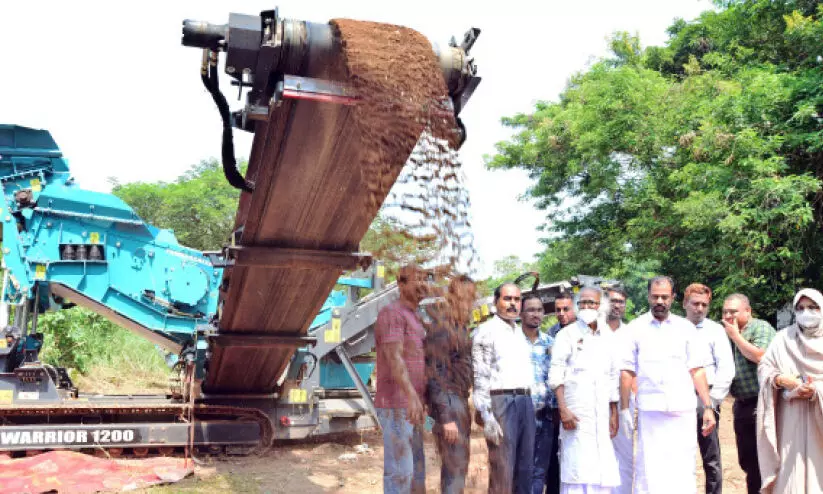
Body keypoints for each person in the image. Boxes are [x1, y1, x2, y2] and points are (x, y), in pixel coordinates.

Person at [619, 276, 716, 494]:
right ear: (648, 297)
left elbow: (697, 370)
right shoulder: (635, 328)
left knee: (682, 469)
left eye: (664, 296)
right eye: (655, 296)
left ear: (673, 298)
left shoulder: (686, 328)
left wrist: (708, 407)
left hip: (683, 410)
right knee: (649, 470)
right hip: (650, 412)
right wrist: (625, 409)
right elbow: (626, 372)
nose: (659, 301)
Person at [549, 287, 620, 494]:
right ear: (578, 306)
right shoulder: (567, 335)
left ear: (601, 306)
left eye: (592, 303)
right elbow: (556, 375)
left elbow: (613, 375)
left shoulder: (608, 335)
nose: (588, 307)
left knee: (601, 471)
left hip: (601, 414)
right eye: (583, 303)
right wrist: (563, 410)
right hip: (575, 414)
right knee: (576, 470)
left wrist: (614, 412)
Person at [757, 288, 823, 493]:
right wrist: (778, 378)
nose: (806, 313)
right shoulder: (782, 338)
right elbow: (764, 367)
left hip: (819, 419)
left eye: (812, 307)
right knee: (790, 469)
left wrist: (816, 389)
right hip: (789, 416)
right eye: (801, 308)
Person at [472, 282, 535, 494]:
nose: (513, 304)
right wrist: (486, 414)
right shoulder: (486, 331)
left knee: (525, 469)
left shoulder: (518, 332)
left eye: (517, 300)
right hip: (502, 403)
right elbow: (480, 375)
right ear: (496, 301)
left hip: (525, 403)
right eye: (507, 299)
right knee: (503, 470)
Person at [375, 264, 429, 494]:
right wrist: (411, 396)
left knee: (416, 472)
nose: (422, 285)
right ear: (400, 284)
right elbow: (394, 357)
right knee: (400, 472)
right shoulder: (392, 313)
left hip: (412, 405)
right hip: (398, 404)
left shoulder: (415, 316)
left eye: (426, 280)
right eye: (416, 280)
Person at [425, 275, 476, 494]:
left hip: (459, 402)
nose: (473, 302)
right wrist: (446, 419)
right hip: (449, 404)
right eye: (471, 297)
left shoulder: (460, 327)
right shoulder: (442, 329)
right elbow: (434, 375)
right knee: (454, 468)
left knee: (458, 467)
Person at [683, 283, 735, 494]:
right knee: (680, 455)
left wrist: (710, 404)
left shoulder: (715, 331)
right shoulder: (674, 327)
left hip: (707, 398)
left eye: (704, 304)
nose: (700, 308)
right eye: (695, 303)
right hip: (680, 398)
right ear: (685, 303)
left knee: (711, 458)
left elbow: (726, 368)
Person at [722, 293, 776, 494]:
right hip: (741, 404)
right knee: (746, 458)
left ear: (748, 311)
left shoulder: (759, 327)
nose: (728, 315)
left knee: (762, 459)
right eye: (725, 311)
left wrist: (736, 336)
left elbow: (760, 356)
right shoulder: (725, 332)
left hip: (762, 402)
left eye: (733, 311)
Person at [521, 293, 554, 494]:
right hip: (519, 417)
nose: (536, 314)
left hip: (545, 416)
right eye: (531, 310)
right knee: (520, 469)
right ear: (522, 314)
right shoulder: (512, 342)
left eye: (539, 310)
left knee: (539, 471)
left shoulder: (551, 344)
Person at [546, 291, 575, 493]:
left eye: (566, 309)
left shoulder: (586, 332)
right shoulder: (551, 335)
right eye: (558, 310)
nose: (562, 313)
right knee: (553, 455)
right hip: (556, 406)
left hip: (579, 404)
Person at [605, 287, 633, 494]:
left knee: (625, 453)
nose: (617, 305)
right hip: (597, 400)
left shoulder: (631, 332)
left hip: (625, 401)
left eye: (621, 302)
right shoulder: (593, 331)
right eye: (613, 301)